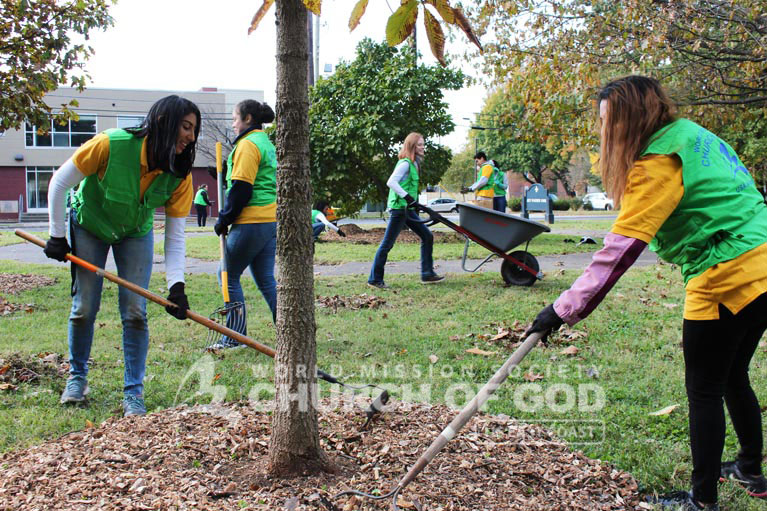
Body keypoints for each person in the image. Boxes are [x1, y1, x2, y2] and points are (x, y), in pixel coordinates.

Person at [526, 75, 767, 511]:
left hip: (727, 274)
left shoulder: (658, 161)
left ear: (629, 119)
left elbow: (619, 253)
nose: (603, 132)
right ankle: (750, 468)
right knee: (732, 375)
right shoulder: (692, 135)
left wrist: (559, 311)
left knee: (705, 389)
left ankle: (703, 501)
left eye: (607, 122)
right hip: (763, 261)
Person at [43, 95, 200, 416]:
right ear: (162, 122)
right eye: (186, 127)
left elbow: (176, 234)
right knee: (84, 306)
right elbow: (59, 183)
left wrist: (177, 286)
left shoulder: (179, 173)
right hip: (90, 225)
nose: (192, 137)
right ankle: (77, 379)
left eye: (194, 130)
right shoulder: (109, 145)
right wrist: (57, 236)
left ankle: (133, 394)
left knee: (135, 311)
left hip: (135, 232)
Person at [213, 99, 278, 348]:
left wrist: (224, 219)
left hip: (251, 220)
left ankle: (235, 336)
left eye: (234, 118)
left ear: (248, 119)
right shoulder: (264, 142)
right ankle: (289, 330)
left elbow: (242, 189)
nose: (232, 124)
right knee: (265, 280)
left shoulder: (248, 145)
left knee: (226, 275)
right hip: (269, 220)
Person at [368, 132, 444, 289]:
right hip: (399, 209)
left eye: (423, 144)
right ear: (412, 146)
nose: (423, 147)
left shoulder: (414, 164)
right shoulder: (404, 164)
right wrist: (408, 197)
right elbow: (391, 182)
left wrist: (414, 202)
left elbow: (408, 185)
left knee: (427, 236)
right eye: (420, 144)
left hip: (408, 209)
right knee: (387, 244)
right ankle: (375, 279)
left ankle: (427, 274)